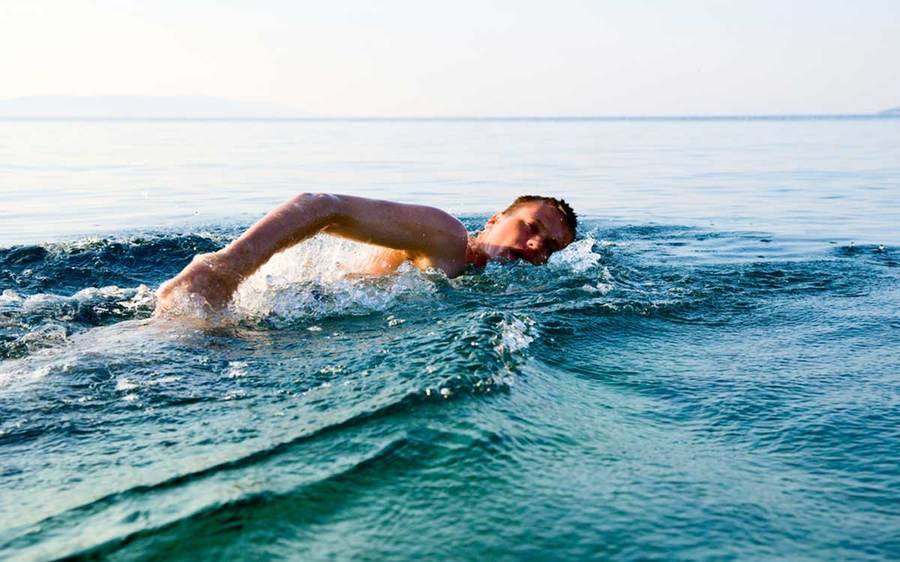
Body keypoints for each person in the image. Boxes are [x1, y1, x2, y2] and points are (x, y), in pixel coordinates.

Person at [155, 193, 577, 313]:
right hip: (267, 307)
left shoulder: (498, 289)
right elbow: (323, 206)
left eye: (551, 246)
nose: (537, 243)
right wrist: (224, 270)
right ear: (491, 221)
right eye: (530, 226)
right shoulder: (445, 238)